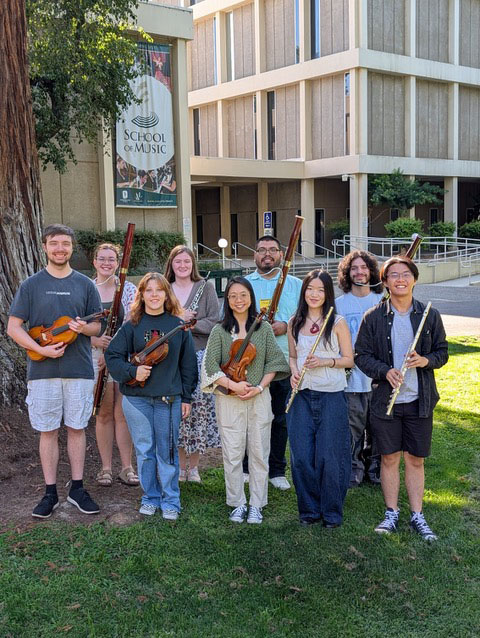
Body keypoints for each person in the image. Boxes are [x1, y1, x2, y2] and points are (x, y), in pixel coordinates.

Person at [7, 224, 102, 519]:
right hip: (42, 370)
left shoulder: (86, 285)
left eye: (65, 244)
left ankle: (77, 488)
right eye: (54, 244)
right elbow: (13, 327)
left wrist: (82, 327)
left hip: (79, 369)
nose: (60, 249)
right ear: (45, 247)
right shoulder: (31, 285)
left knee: (76, 427)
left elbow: (98, 327)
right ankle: (50, 493)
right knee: (47, 431)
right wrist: (42, 350)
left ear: (72, 248)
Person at [355, 256, 448, 541]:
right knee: (390, 457)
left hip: (420, 399)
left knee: (416, 459)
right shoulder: (373, 316)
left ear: (414, 279)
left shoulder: (429, 314)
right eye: (393, 275)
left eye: (405, 274)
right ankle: (392, 512)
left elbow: (443, 352)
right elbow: (361, 355)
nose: (400, 279)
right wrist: (385, 372)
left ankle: (417, 515)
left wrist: (424, 360)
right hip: (387, 400)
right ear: (384, 282)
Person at [104, 273, 197, 519]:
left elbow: (188, 365)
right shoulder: (132, 325)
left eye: (159, 290)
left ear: (167, 295)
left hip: (169, 399)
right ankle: (150, 497)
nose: (154, 295)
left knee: (166, 451)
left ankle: (171, 501)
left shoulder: (177, 326)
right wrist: (132, 371)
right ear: (142, 295)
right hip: (137, 399)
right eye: (149, 290)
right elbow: (112, 355)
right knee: (145, 451)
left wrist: (186, 397)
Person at [201, 277, 290, 524]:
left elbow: (275, 362)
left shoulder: (264, 329)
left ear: (250, 298)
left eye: (243, 295)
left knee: (260, 451)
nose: (238, 300)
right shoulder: (219, 331)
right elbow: (209, 365)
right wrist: (234, 385)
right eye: (233, 296)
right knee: (232, 453)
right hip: (229, 398)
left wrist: (260, 387)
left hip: (258, 397)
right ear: (227, 301)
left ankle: (257, 504)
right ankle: (237, 502)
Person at [286, 270, 353, 528]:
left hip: (331, 395)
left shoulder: (337, 322)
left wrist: (325, 361)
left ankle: (332, 513)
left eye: (320, 290)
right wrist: (294, 373)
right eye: (310, 289)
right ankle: (309, 512)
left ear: (328, 294)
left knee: (329, 456)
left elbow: (349, 360)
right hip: (301, 395)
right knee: (301, 456)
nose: (314, 294)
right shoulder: (294, 322)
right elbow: (293, 357)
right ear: (304, 292)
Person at [244, 235, 302, 490]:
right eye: (261, 250)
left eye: (272, 250)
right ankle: (247, 467)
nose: (267, 254)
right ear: (254, 255)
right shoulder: (244, 283)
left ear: (281, 254)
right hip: (252, 361)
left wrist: (286, 325)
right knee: (252, 418)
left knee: (281, 418)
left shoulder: (297, 284)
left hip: (284, 362)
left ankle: (277, 469)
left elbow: (307, 316)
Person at [164, 245, 220, 483]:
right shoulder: (165, 289)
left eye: (187, 261)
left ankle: (194, 468)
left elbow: (214, 321)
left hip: (198, 355)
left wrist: (191, 322)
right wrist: (177, 319)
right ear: (171, 265)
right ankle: (177, 464)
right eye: (178, 262)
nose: (183, 266)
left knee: (197, 410)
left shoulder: (205, 287)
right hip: (170, 358)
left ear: (193, 264)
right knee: (175, 411)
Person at [91, 243, 139, 488]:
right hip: (93, 357)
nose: (107, 263)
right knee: (104, 413)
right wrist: (95, 341)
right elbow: (75, 325)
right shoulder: (86, 287)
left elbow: (132, 323)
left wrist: (112, 352)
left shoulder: (128, 289)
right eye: (102, 259)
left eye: (112, 259)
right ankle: (106, 468)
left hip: (121, 357)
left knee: (123, 414)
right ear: (94, 261)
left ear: (118, 263)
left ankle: (127, 467)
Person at [336, 250, 384, 488]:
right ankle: (354, 467)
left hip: (378, 378)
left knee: (378, 426)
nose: (359, 272)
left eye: (363, 267)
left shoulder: (381, 302)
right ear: (347, 273)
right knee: (353, 427)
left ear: (371, 271)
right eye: (354, 268)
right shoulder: (339, 304)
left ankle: (375, 467)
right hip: (351, 379)